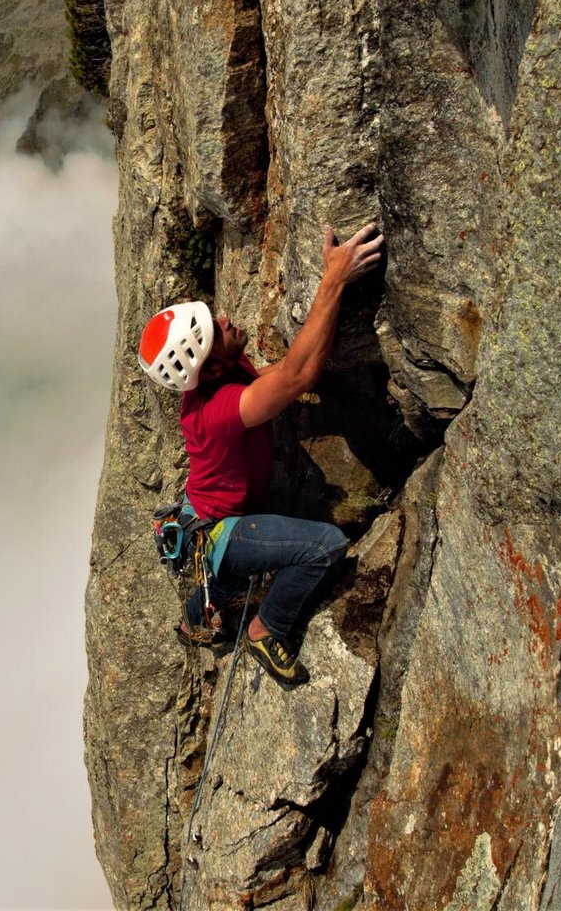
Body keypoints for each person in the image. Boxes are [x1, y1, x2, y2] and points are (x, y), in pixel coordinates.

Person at [137, 221, 384, 687]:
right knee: (324, 547)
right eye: (215, 330)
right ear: (210, 367)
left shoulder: (222, 370)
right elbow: (298, 377)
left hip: (207, 520)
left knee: (228, 576)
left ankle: (196, 621)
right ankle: (267, 628)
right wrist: (333, 279)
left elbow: (284, 372)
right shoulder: (219, 410)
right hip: (221, 529)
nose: (226, 320)